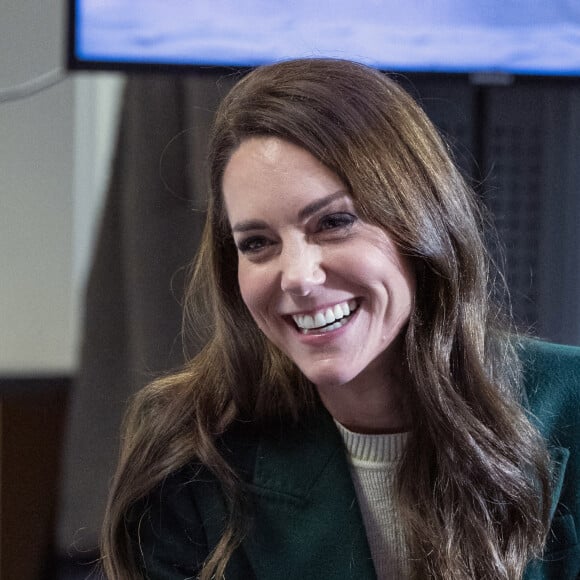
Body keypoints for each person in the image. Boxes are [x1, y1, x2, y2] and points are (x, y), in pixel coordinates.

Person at [101, 59, 579, 580]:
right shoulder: (188, 453)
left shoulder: (571, 403)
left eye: (334, 222)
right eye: (257, 243)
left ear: (421, 223)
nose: (299, 277)